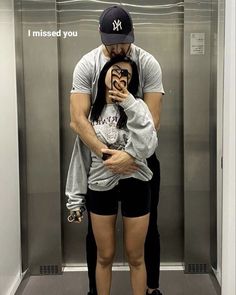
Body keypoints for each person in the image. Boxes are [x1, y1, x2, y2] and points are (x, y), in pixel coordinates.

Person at [67, 5, 164, 295]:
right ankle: (95, 291)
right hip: (101, 162)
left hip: (141, 160)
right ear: (101, 37)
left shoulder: (147, 63)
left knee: (149, 230)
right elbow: (78, 120)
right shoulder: (87, 65)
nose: (120, 48)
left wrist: (131, 156)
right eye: (113, 44)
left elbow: (153, 121)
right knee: (98, 244)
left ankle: (151, 288)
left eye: (125, 41)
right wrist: (106, 155)